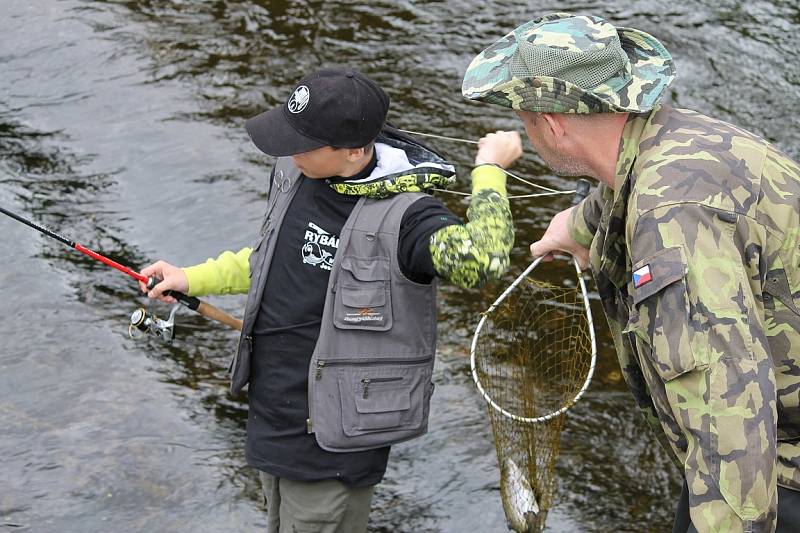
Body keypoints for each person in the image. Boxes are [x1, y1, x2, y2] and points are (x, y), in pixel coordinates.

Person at [139, 67, 521, 533]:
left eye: (302, 141)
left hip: (334, 442)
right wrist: (191, 277)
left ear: (354, 151)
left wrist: (489, 171)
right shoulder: (297, 173)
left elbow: (484, 259)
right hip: (273, 419)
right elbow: (267, 257)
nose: (287, 148)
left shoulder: (412, 220)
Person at [461, 12, 800, 533]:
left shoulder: (670, 224)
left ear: (551, 124)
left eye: (528, 124)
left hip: (772, 479)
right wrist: (577, 223)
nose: (531, 136)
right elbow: (625, 186)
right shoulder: (680, 134)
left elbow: (730, 425)